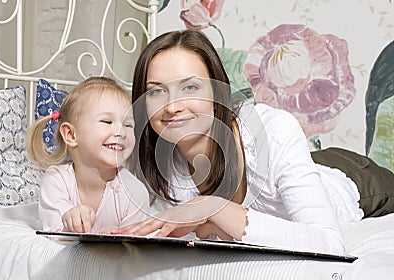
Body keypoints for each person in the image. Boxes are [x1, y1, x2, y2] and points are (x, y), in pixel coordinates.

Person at [111, 30, 394, 255]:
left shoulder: (273, 130)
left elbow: (329, 243)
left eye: (190, 87)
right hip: (299, 169)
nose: (172, 106)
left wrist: (214, 207)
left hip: (357, 181)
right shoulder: (162, 159)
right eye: (157, 91)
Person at [27, 77, 149, 233]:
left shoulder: (135, 193)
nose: (121, 132)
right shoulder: (56, 180)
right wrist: (69, 226)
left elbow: (136, 251)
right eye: (107, 121)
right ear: (71, 135)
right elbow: (54, 236)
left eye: (128, 125)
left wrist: (117, 242)